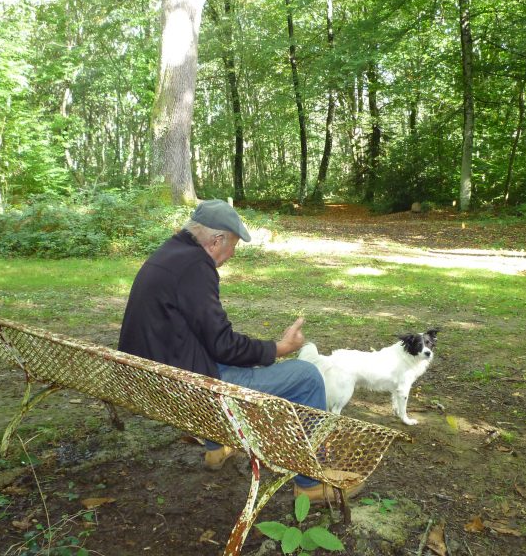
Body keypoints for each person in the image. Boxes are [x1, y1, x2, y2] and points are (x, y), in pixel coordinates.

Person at [118, 199, 362, 503]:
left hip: (152, 381)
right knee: (306, 375)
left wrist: (257, 354)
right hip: (191, 389)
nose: (232, 253)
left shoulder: (169, 254)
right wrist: (279, 348)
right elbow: (223, 345)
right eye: (232, 245)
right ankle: (309, 483)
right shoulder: (196, 267)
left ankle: (216, 447)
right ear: (216, 240)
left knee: (248, 365)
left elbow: (204, 337)